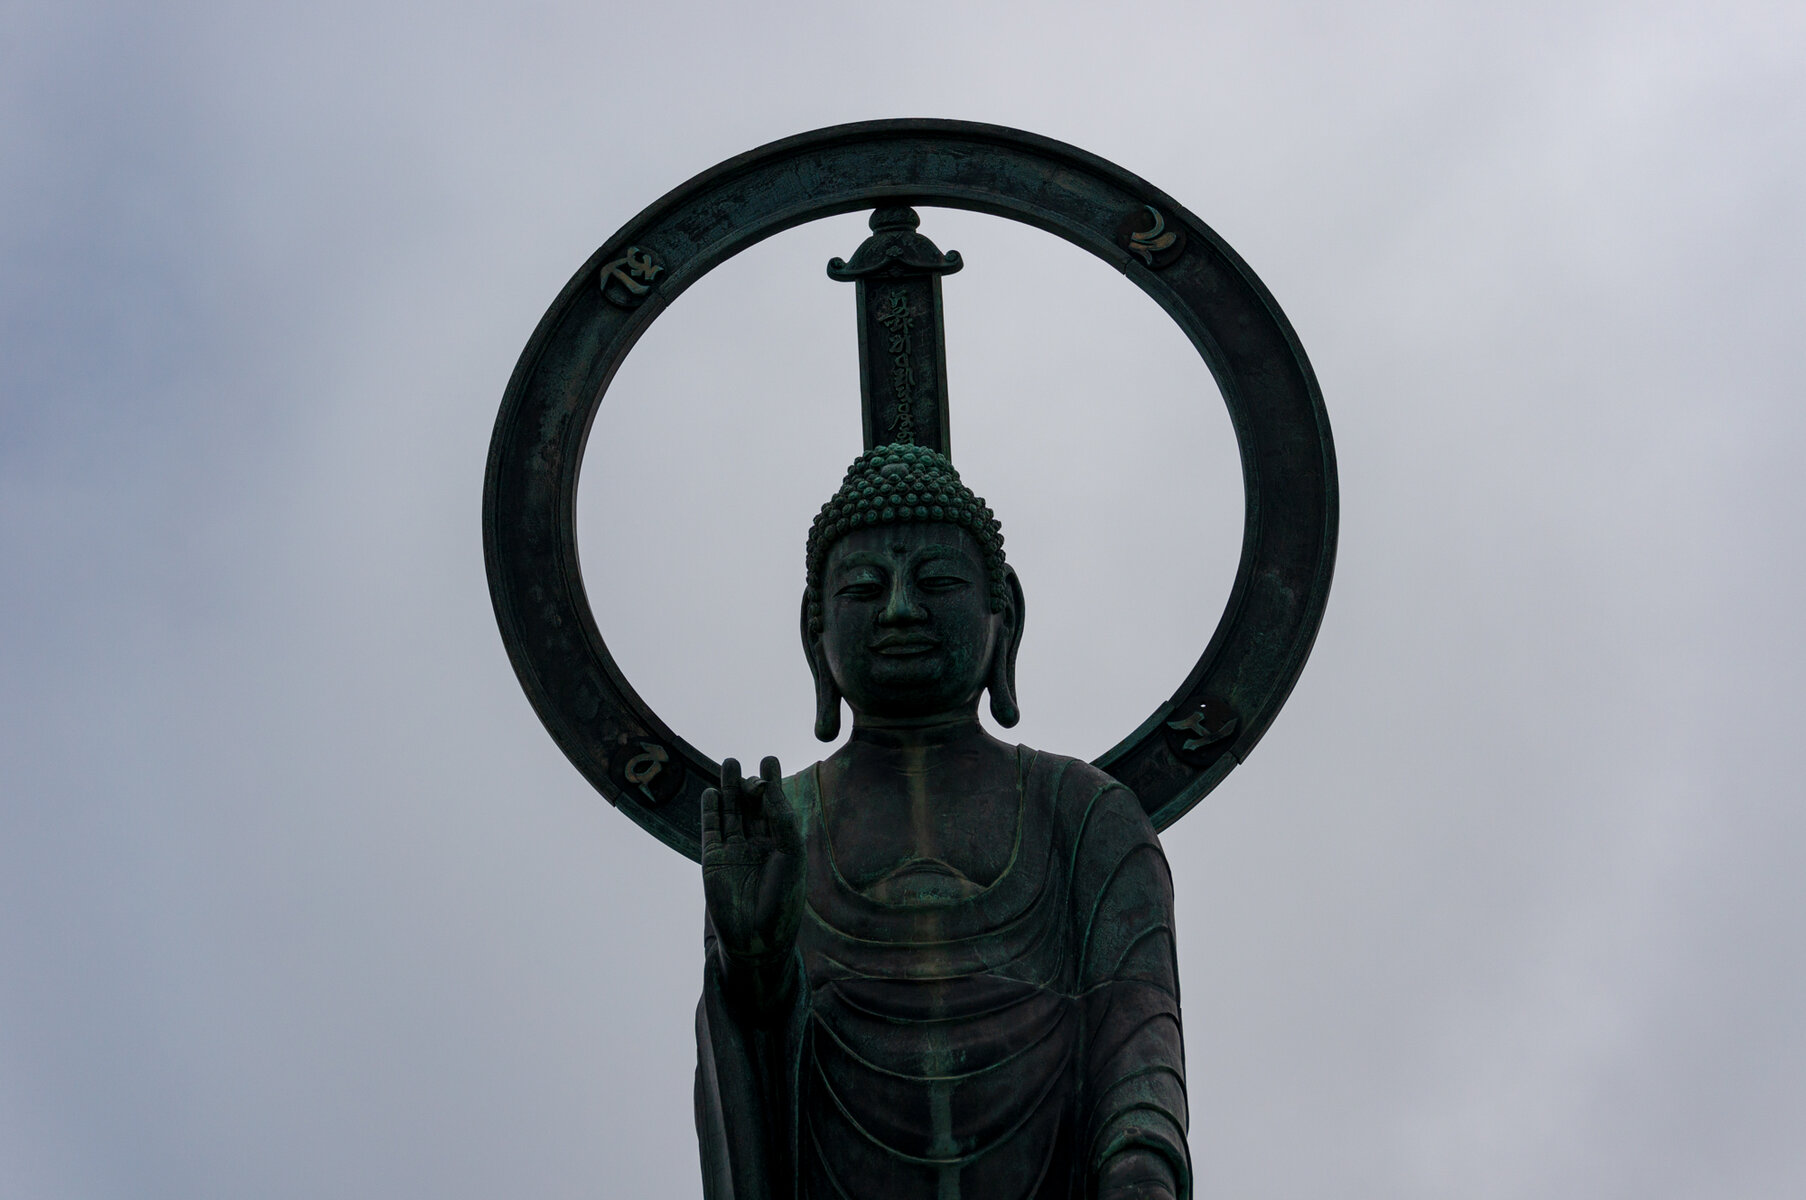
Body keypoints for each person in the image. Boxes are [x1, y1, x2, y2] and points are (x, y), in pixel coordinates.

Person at [696, 445, 1188, 1200]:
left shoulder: (1085, 813)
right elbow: (751, 1089)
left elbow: (1138, 1030)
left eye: (939, 582)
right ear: (813, 631)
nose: (900, 609)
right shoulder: (773, 832)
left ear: (1003, 615)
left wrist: (1140, 1172)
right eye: (864, 588)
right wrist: (752, 970)